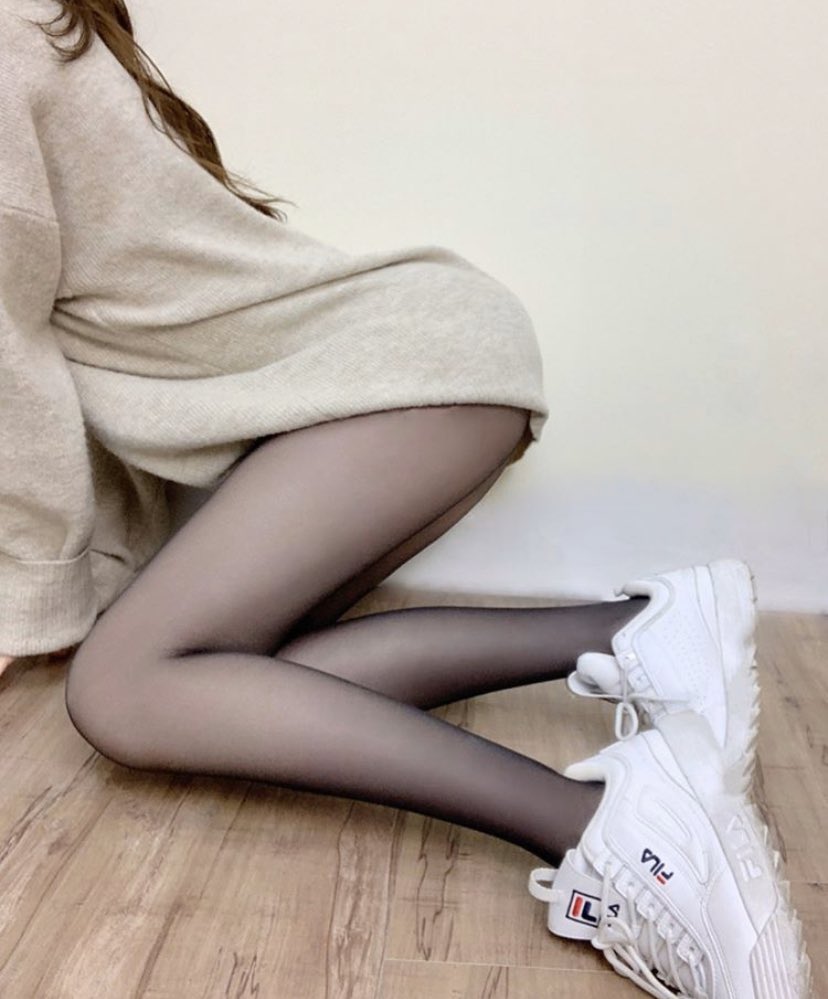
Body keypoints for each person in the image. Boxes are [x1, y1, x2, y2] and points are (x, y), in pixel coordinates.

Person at [0, 2, 810, 996]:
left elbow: (14, 368)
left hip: (401, 382)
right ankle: (645, 630)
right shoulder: (39, 28)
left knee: (122, 690)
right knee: (217, 691)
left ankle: (624, 837)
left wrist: (30, 602)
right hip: (416, 373)